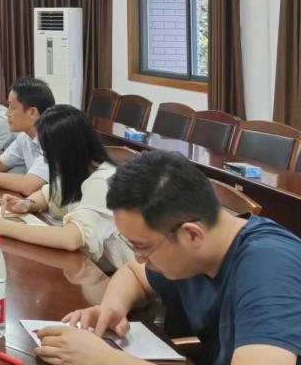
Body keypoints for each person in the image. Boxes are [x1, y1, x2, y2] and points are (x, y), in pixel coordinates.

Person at [44, 151, 301, 365]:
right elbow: (133, 273)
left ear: (191, 234)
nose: (140, 258)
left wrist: (106, 359)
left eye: (142, 247)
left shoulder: (270, 267)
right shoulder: (201, 248)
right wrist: (112, 309)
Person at [0, 105, 133, 273]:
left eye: (48, 154)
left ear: (67, 152)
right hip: (91, 267)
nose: (46, 161)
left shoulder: (103, 181)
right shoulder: (80, 170)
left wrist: (3, 227)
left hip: (114, 274)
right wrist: (27, 204)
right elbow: (48, 194)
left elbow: (71, 239)